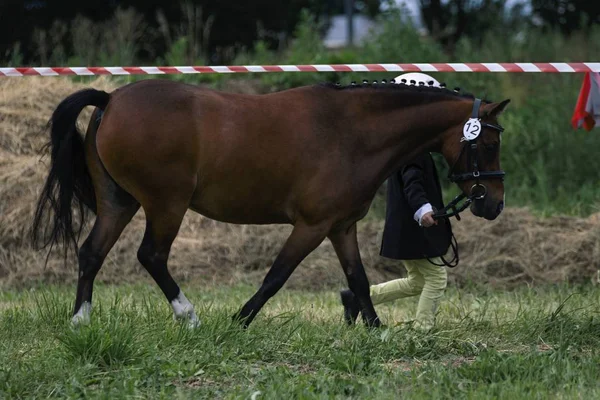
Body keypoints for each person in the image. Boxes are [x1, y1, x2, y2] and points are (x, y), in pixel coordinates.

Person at [340, 73, 455, 331]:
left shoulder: (404, 141)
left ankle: (357, 298)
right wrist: (423, 208)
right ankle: (423, 330)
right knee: (436, 279)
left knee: (416, 281)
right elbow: (412, 181)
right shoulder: (413, 145)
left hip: (404, 227)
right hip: (415, 227)